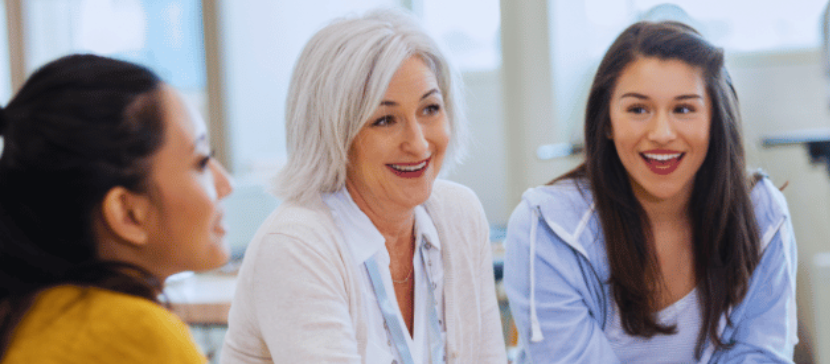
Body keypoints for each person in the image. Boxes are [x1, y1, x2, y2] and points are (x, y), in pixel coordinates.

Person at [220, 9, 505, 364]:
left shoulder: (458, 214)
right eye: (385, 120)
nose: (418, 144)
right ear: (334, 134)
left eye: (430, 109)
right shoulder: (295, 245)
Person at [503, 21, 798, 363]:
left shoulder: (762, 214)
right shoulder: (548, 228)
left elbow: (762, 354)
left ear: (715, 120)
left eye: (684, 109)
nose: (661, 133)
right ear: (608, 122)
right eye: (638, 109)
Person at [0, 54, 234, 363]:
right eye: (202, 161)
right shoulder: (135, 333)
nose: (225, 183)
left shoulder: (30, 314)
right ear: (128, 213)